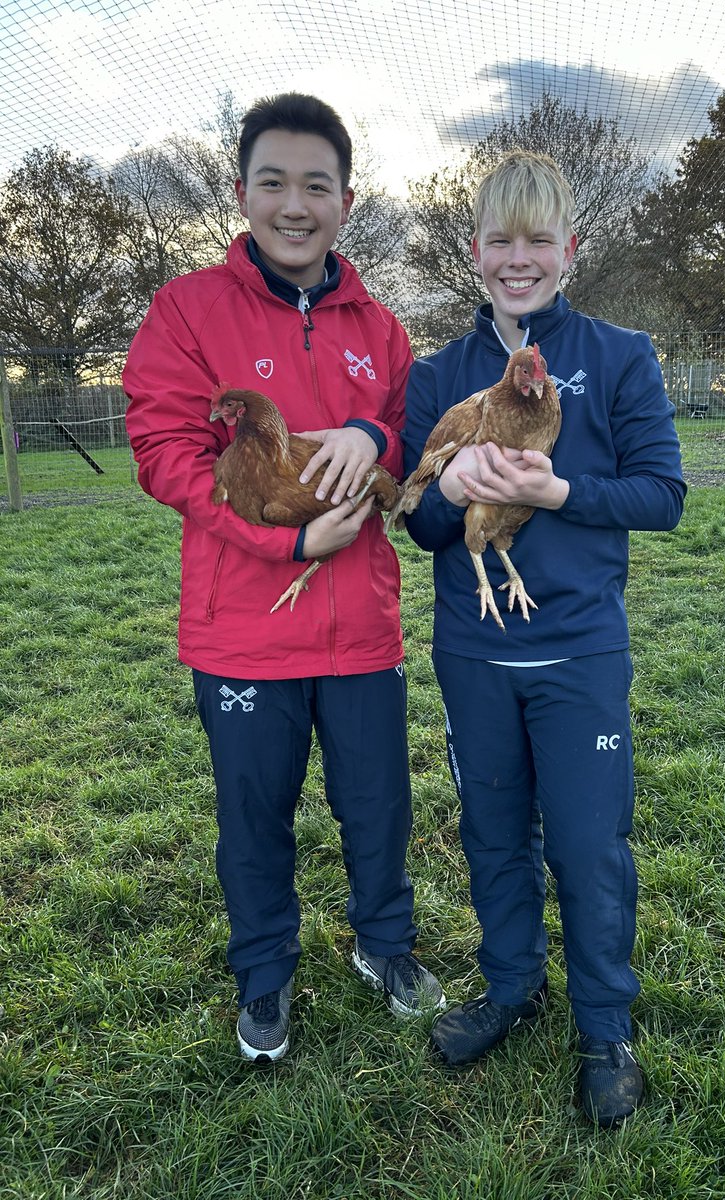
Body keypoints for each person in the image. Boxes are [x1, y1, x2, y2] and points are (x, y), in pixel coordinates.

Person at [123, 92, 444, 1063]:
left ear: (346, 201)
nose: (294, 205)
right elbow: (165, 453)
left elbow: (407, 430)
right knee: (254, 814)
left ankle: (384, 943)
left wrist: (372, 433)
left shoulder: (380, 329)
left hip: (360, 625)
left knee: (378, 805)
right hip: (244, 631)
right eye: (274, 182)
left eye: (316, 185)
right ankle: (264, 972)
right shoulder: (188, 311)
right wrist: (288, 546)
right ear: (241, 193)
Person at [401, 151, 685, 1125]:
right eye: (499, 240)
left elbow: (663, 495)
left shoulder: (621, 356)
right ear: (475, 250)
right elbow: (421, 528)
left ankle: (605, 1025)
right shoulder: (440, 374)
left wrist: (559, 490)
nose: (518, 259)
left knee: (587, 841)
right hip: (475, 652)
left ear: (571, 247)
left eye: (538, 240)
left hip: (579, 652)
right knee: (492, 833)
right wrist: (448, 491)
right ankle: (513, 987)